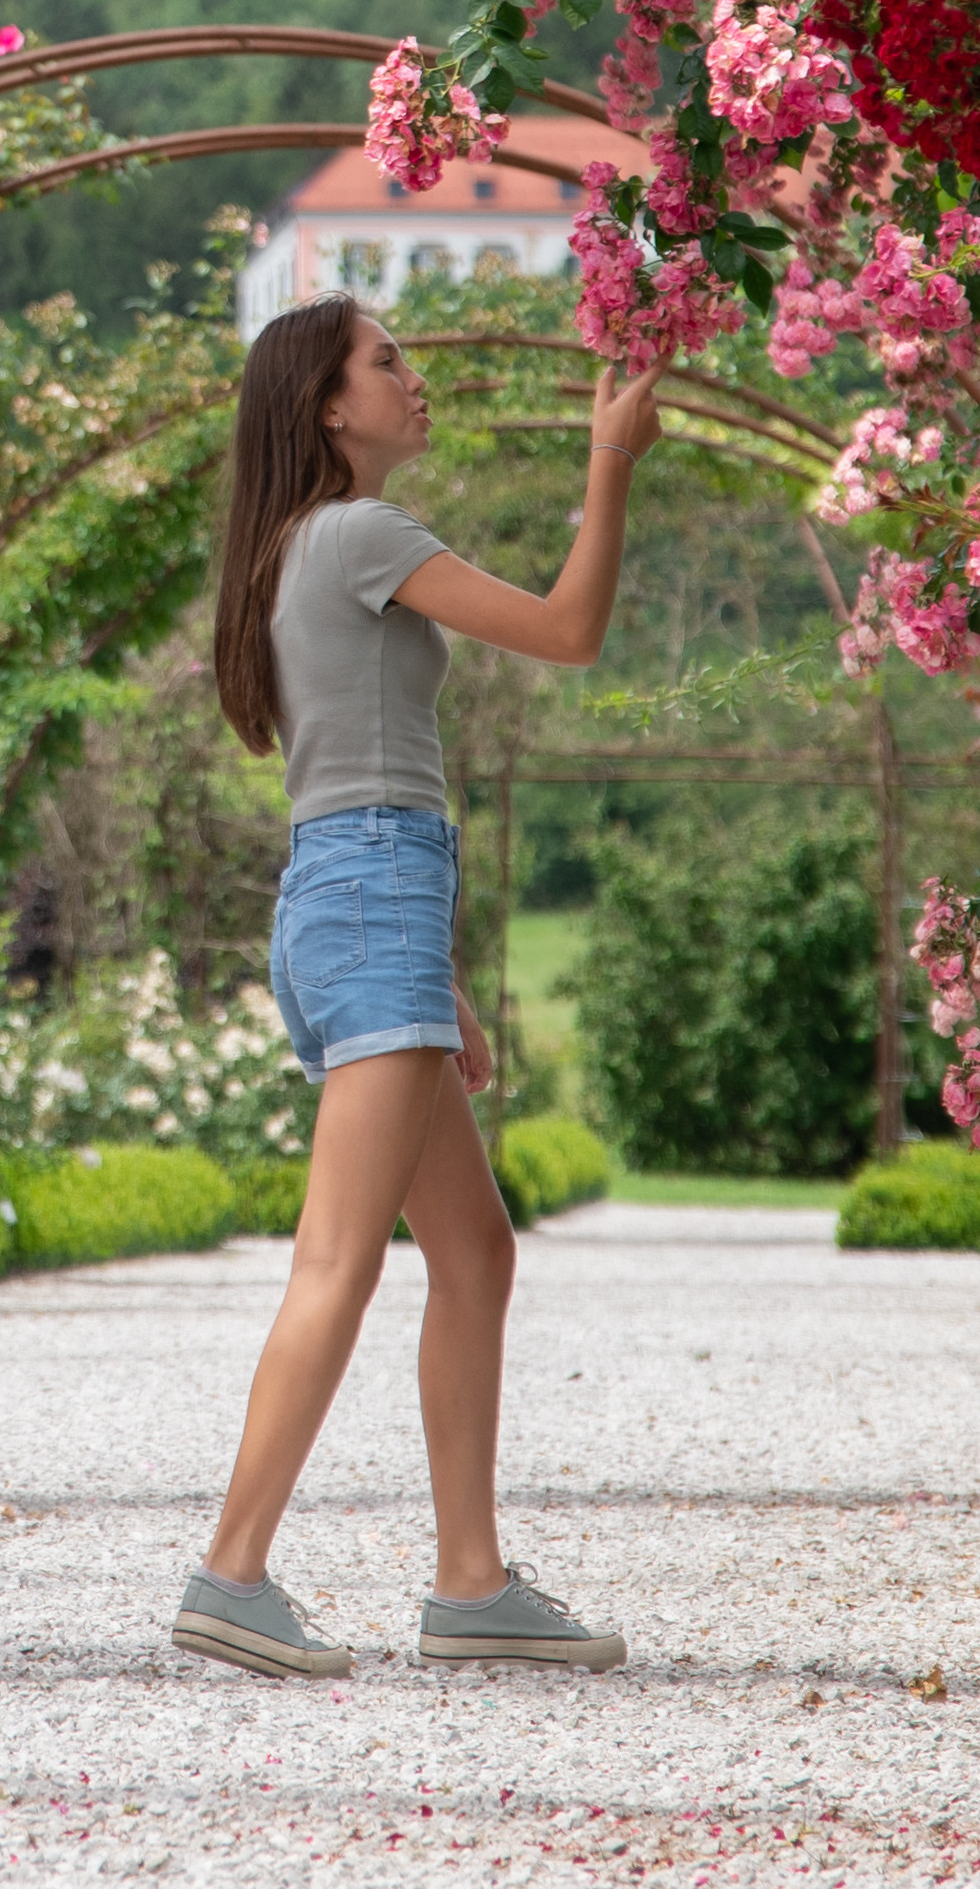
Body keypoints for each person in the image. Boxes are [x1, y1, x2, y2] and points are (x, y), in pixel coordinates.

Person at [170, 291, 657, 1681]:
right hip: (371, 895)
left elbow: (360, 781)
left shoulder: (292, 549)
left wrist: (433, 968)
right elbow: (567, 629)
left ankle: (470, 1581)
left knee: (476, 1252)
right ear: (329, 407)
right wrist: (609, 459)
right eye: (387, 362)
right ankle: (232, 1571)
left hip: (361, 897)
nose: (413, 375)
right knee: (339, 1258)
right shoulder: (360, 536)